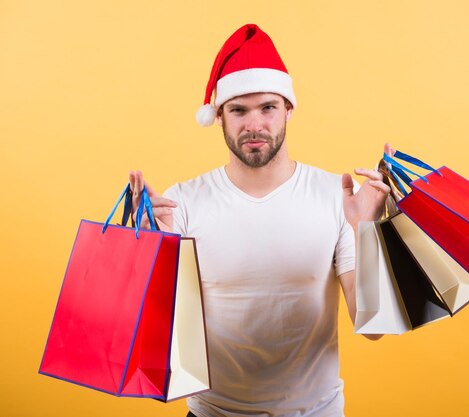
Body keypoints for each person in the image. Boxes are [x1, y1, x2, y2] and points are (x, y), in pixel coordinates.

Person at [129, 24, 391, 417]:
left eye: (268, 107)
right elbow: (154, 335)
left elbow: (373, 329)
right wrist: (147, 248)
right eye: (238, 110)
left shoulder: (337, 198)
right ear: (219, 116)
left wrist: (366, 231)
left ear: (288, 108)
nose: (254, 125)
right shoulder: (181, 203)